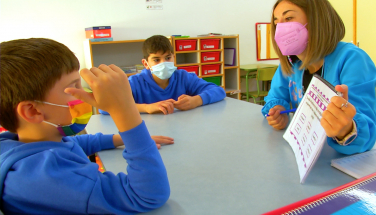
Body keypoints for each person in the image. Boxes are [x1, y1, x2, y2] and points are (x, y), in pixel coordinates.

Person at [0, 38, 170, 214]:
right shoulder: (51, 177)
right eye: (73, 87)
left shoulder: (22, 144)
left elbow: (74, 144)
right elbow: (149, 195)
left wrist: (122, 139)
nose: (85, 93)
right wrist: (125, 110)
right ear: (32, 111)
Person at [262, 0, 376, 155]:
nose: (280, 28)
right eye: (277, 22)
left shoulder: (351, 58)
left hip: (361, 158)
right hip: (314, 154)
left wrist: (346, 129)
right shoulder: (291, 64)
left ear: (316, 20)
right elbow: (275, 96)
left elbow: (366, 127)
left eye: (289, 18)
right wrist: (278, 110)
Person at [98, 35, 226, 115]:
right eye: (156, 60)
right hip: (150, 135)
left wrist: (196, 101)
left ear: (174, 58)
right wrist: (146, 108)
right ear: (146, 63)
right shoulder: (135, 83)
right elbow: (104, 108)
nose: (164, 63)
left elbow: (219, 91)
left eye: (168, 57)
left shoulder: (183, 77)